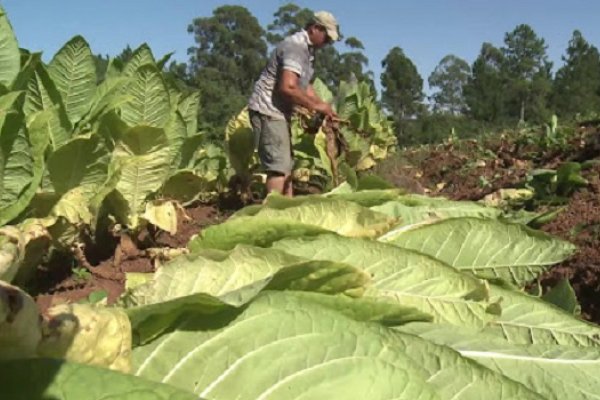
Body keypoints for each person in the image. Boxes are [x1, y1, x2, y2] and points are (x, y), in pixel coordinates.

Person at [248, 11, 340, 197]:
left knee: (286, 166)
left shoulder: (307, 52)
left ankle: (288, 210)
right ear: (315, 29)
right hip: (268, 110)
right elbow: (288, 87)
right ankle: (273, 215)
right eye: (327, 37)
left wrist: (324, 106)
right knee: (278, 168)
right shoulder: (295, 48)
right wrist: (316, 107)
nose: (328, 42)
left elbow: (305, 87)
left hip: (279, 113)